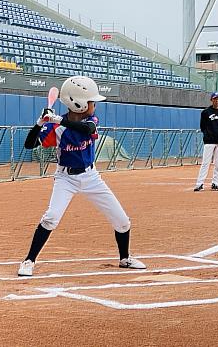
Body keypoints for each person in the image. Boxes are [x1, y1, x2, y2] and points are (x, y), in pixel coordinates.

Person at [17, 76, 146, 277]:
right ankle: (29, 260)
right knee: (51, 218)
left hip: (91, 176)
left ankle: (125, 258)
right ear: (79, 103)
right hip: (65, 178)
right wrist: (39, 123)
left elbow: (87, 130)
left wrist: (57, 119)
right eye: (91, 102)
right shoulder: (55, 128)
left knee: (122, 221)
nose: (94, 105)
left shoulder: (89, 121)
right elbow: (30, 145)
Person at [194, 92, 218, 192]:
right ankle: (199, 184)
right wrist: (208, 134)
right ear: (211, 100)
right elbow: (202, 126)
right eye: (215, 99)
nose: (217, 100)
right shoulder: (206, 112)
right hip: (209, 141)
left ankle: (215, 183)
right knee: (206, 163)